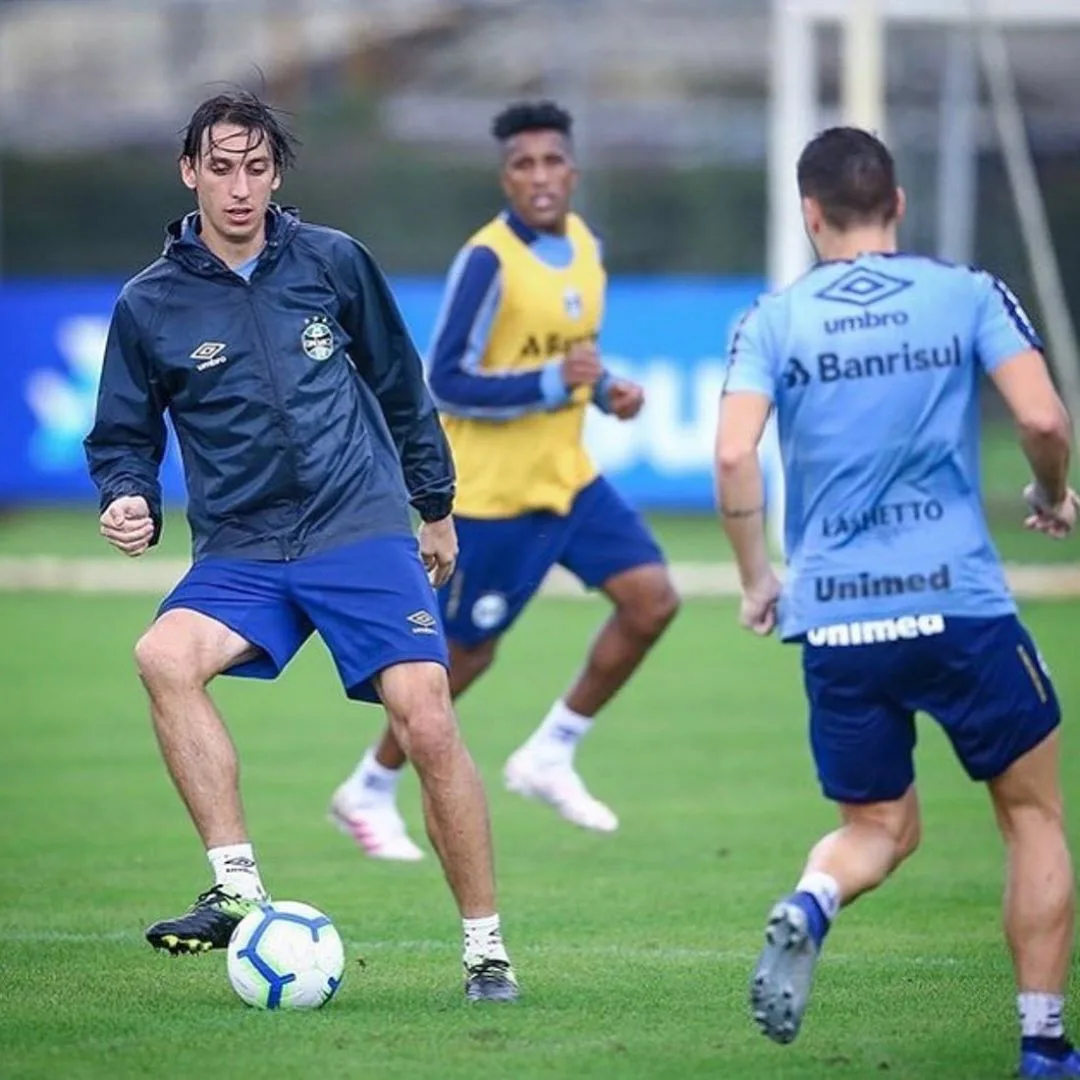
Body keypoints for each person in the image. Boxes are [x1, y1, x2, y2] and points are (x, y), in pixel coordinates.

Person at [83, 90, 518, 1002]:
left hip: (357, 525)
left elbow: (402, 384)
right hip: (242, 545)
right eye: (221, 166)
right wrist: (127, 498)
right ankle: (237, 886)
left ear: (276, 174)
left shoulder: (332, 262)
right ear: (189, 172)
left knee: (428, 716)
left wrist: (434, 505)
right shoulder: (148, 305)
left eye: (256, 167)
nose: (238, 187)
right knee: (163, 656)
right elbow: (123, 435)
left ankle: (485, 949)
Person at [716, 126, 1079, 1077]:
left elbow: (731, 456)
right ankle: (1043, 1043)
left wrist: (759, 579)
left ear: (809, 213)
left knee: (879, 827)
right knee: (1031, 817)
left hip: (838, 616)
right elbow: (1041, 416)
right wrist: (1048, 492)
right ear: (899, 204)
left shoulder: (771, 320)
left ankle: (810, 903)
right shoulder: (965, 292)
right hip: (958, 602)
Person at [328, 100, 680, 860]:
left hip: (568, 479)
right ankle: (368, 785)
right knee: (464, 658)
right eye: (524, 165)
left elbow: (568, 360)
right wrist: (557, 383)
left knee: (652, 600)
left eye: (552, 161)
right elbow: (446, 380)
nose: (541, 176)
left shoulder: (588, 244)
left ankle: (552, 750)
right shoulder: (488, 259)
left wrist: (606, 389)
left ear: (573, 171)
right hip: (488, 495)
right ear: (506, 178)